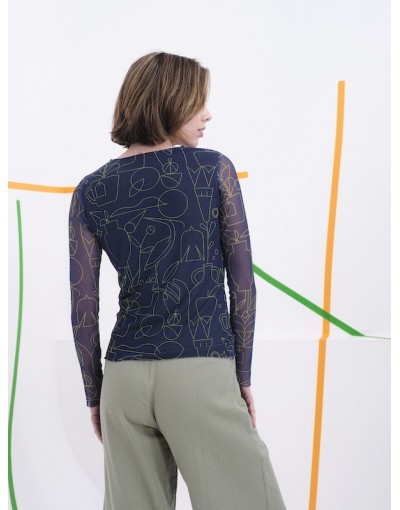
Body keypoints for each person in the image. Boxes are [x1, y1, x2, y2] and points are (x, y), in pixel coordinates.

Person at [69, 51, 286, 510]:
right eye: (197, 102)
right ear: (168, 101)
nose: (207, 115)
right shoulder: (212, 169)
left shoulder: (90, 190)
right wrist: (242, 377)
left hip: (123, 380)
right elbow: (242, 283)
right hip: (200, 369)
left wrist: (95, 394)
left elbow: (84, 306)